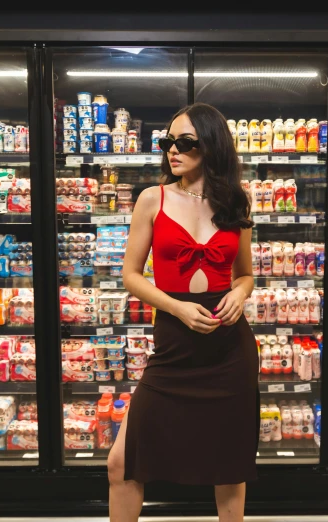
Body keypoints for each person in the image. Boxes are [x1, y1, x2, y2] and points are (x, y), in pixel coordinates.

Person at [108, 103, 258, 522]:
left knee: (229, 470)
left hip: (229, 350)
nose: (173, 150)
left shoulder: (235, 203)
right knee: (121, 464)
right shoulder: (152, 199)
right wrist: (177, 308)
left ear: (211, 145)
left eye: (185, 142)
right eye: (167, 142)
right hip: (174, 345)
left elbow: (245, 274)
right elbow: (131, 275)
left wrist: (240, 295)